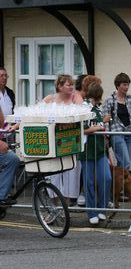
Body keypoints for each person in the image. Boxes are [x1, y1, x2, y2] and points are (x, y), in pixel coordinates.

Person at [43, 74, 83, 203]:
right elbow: (35, 112)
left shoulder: (76, 97)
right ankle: (54, 206)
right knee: (53, 174)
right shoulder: (50, 98)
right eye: (68, 85)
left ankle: (66, 206)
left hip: (70, 142)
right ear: (59, 86)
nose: (71, 87)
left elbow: (80, 113)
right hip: (53, 143)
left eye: (72, 84)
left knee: (71, 174)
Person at [82, 82, 111, 226]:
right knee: (89, 182)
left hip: (100, 149)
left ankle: (101, 208)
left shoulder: (98, 109)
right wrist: (99, 127)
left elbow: (101, 127)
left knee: (106, 178)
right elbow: (83, 129)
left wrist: (102, 125)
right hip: (87, 150)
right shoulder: (84, 108)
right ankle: (92, 212)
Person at [102, 73, 131, 169]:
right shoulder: (109, 100)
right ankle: (125, 179)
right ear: (118, 85)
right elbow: (106, 119)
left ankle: (119, 178)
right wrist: (107, 135)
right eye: (124, 84)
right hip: (116, 133)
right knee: (126, 163)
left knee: (124, 163)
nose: (127, 87)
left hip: (128, 133)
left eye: (128, 84)